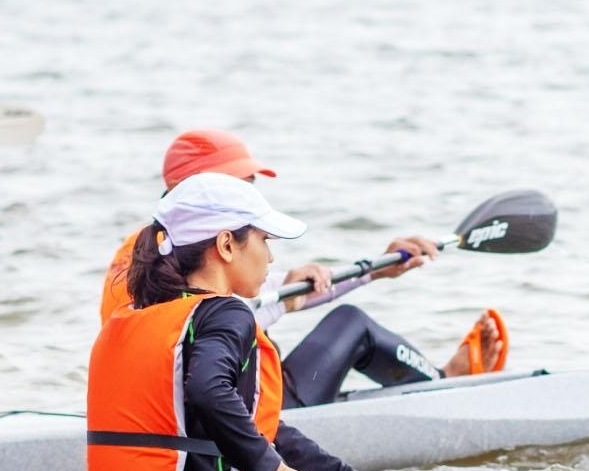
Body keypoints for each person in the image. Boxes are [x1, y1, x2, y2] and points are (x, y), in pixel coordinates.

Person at [99, 129, 507, 408]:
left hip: (182, 406)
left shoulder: (150, 251)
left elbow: (243, 308)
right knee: (351, 325)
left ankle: (438, 378)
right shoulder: (185, 274)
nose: (253, 194)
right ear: (209, 190)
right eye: (246, 185)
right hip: (235, 409)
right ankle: (442, 385)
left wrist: (371, 272)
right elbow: (211, 325)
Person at [88, 172, 369, 471]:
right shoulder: (225, 312)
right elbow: (208, 389)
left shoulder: (141, 314)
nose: (270, 255)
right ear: (225, 245)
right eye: (264, 240)